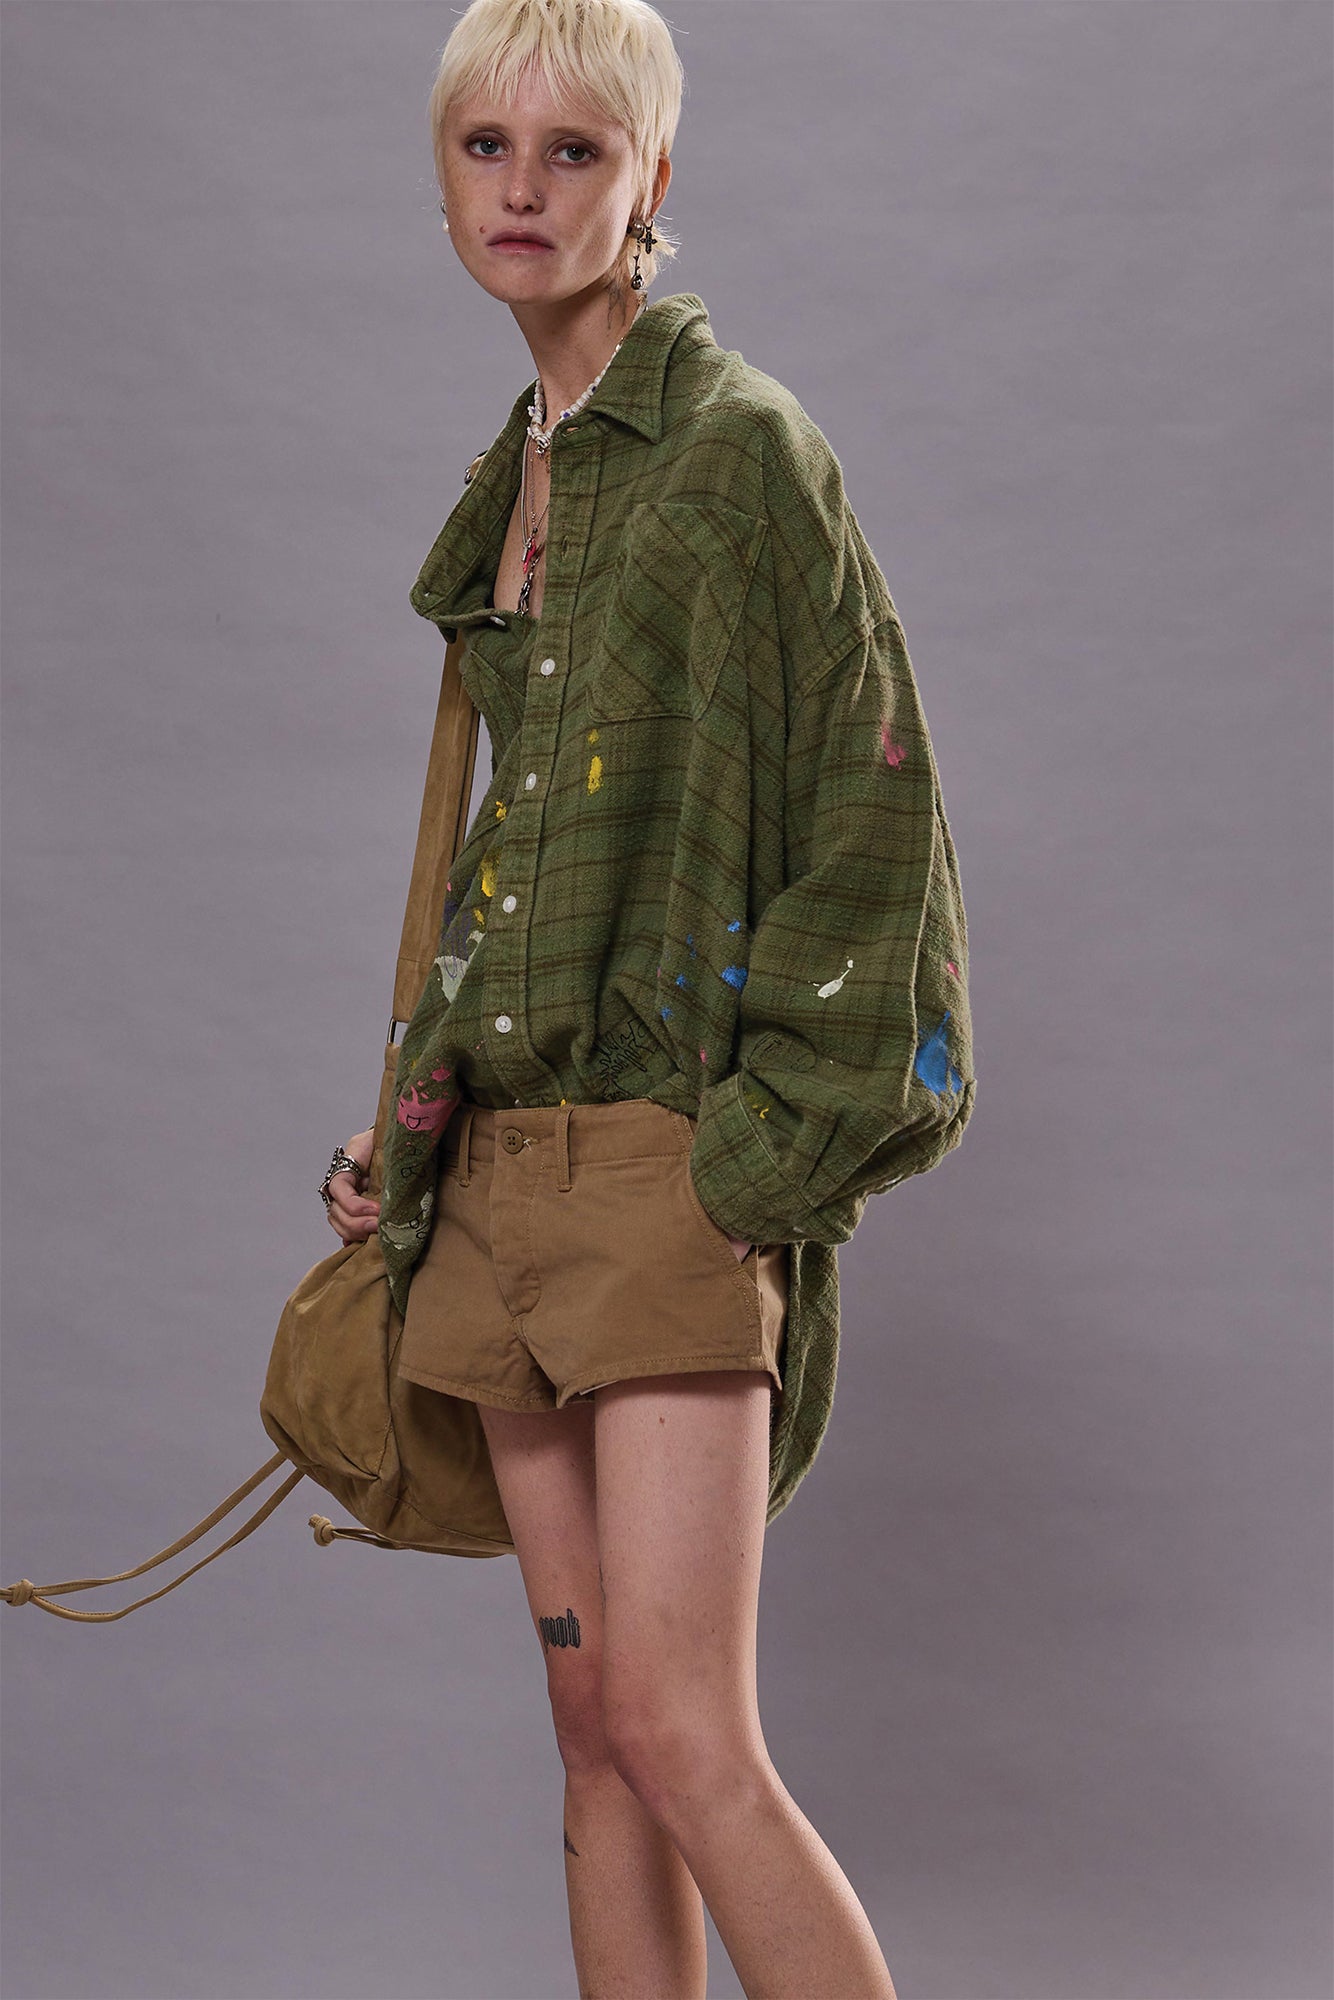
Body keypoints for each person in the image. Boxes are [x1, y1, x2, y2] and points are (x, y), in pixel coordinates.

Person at [324, 2, 976, 1994]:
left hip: (659, 1175)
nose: (524, 191)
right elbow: (531, 867)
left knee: (688, 1739)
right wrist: (414, 1118)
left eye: (576, 152)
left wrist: (747, 1167)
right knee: (597, 1741)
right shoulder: (517, 475)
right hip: (503, 1171)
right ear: (442, 173)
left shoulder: (733, 455)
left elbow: (875, 830)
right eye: (487, 148)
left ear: (652, 182)